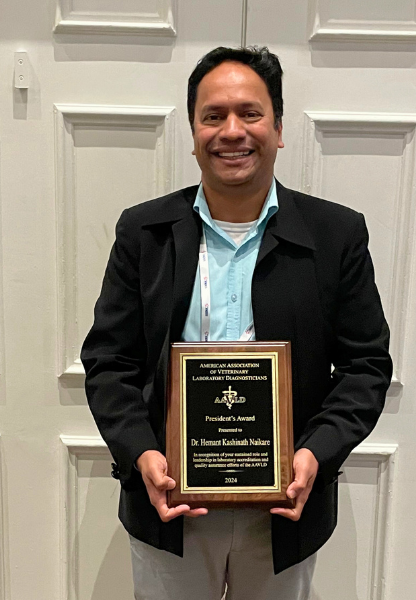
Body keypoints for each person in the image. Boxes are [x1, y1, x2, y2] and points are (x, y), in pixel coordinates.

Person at [81, 46, 393, 600]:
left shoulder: (335, 235)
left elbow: (366, 366)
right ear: (193, 129)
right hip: (169, 504)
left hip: (283, 511)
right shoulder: (143, 232)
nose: (231, 131)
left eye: (250, 114)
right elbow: (109, 363)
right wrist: (142, 454)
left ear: (277, 128)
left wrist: (314, 454)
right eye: (213, 116)